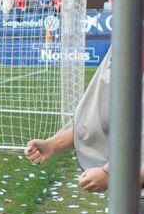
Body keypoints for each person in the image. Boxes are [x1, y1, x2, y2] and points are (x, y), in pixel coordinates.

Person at [25, 50, 144, 192]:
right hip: (129, 196)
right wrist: (53, 144)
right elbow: (97, 120)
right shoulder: (124, 41)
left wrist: (113, 175)